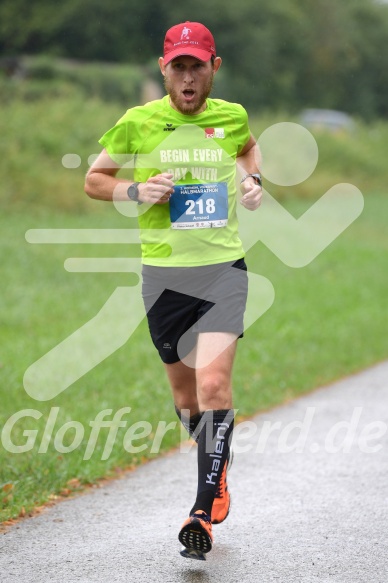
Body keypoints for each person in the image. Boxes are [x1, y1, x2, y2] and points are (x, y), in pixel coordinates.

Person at [84, 21, 262, 560]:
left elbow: (249, 152)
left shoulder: (232, 117)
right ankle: (218, 464)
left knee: (213, 388)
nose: (188, 77)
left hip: (222, 270)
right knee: (186, 398)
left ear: (214, 68)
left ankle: (202, 513)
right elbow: (94, 180)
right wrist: (136, 189)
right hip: (163, 277)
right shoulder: (138, 123)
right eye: (178, 67)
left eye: (197, 67)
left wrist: (255, 181)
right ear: (164, 70)